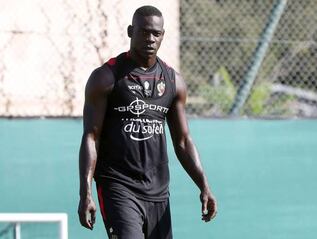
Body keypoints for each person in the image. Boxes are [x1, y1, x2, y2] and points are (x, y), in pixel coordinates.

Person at [78, 5, 217, 239]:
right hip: (118, 187)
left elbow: (183, 141)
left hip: (158, 193)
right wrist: (85, 192)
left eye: (156, 33)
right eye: (144, 32)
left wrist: (204, 185)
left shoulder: (173, 82)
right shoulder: (105, 78)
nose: (150, 38)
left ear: (163, 35)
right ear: (131, 31)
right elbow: (91, 136)